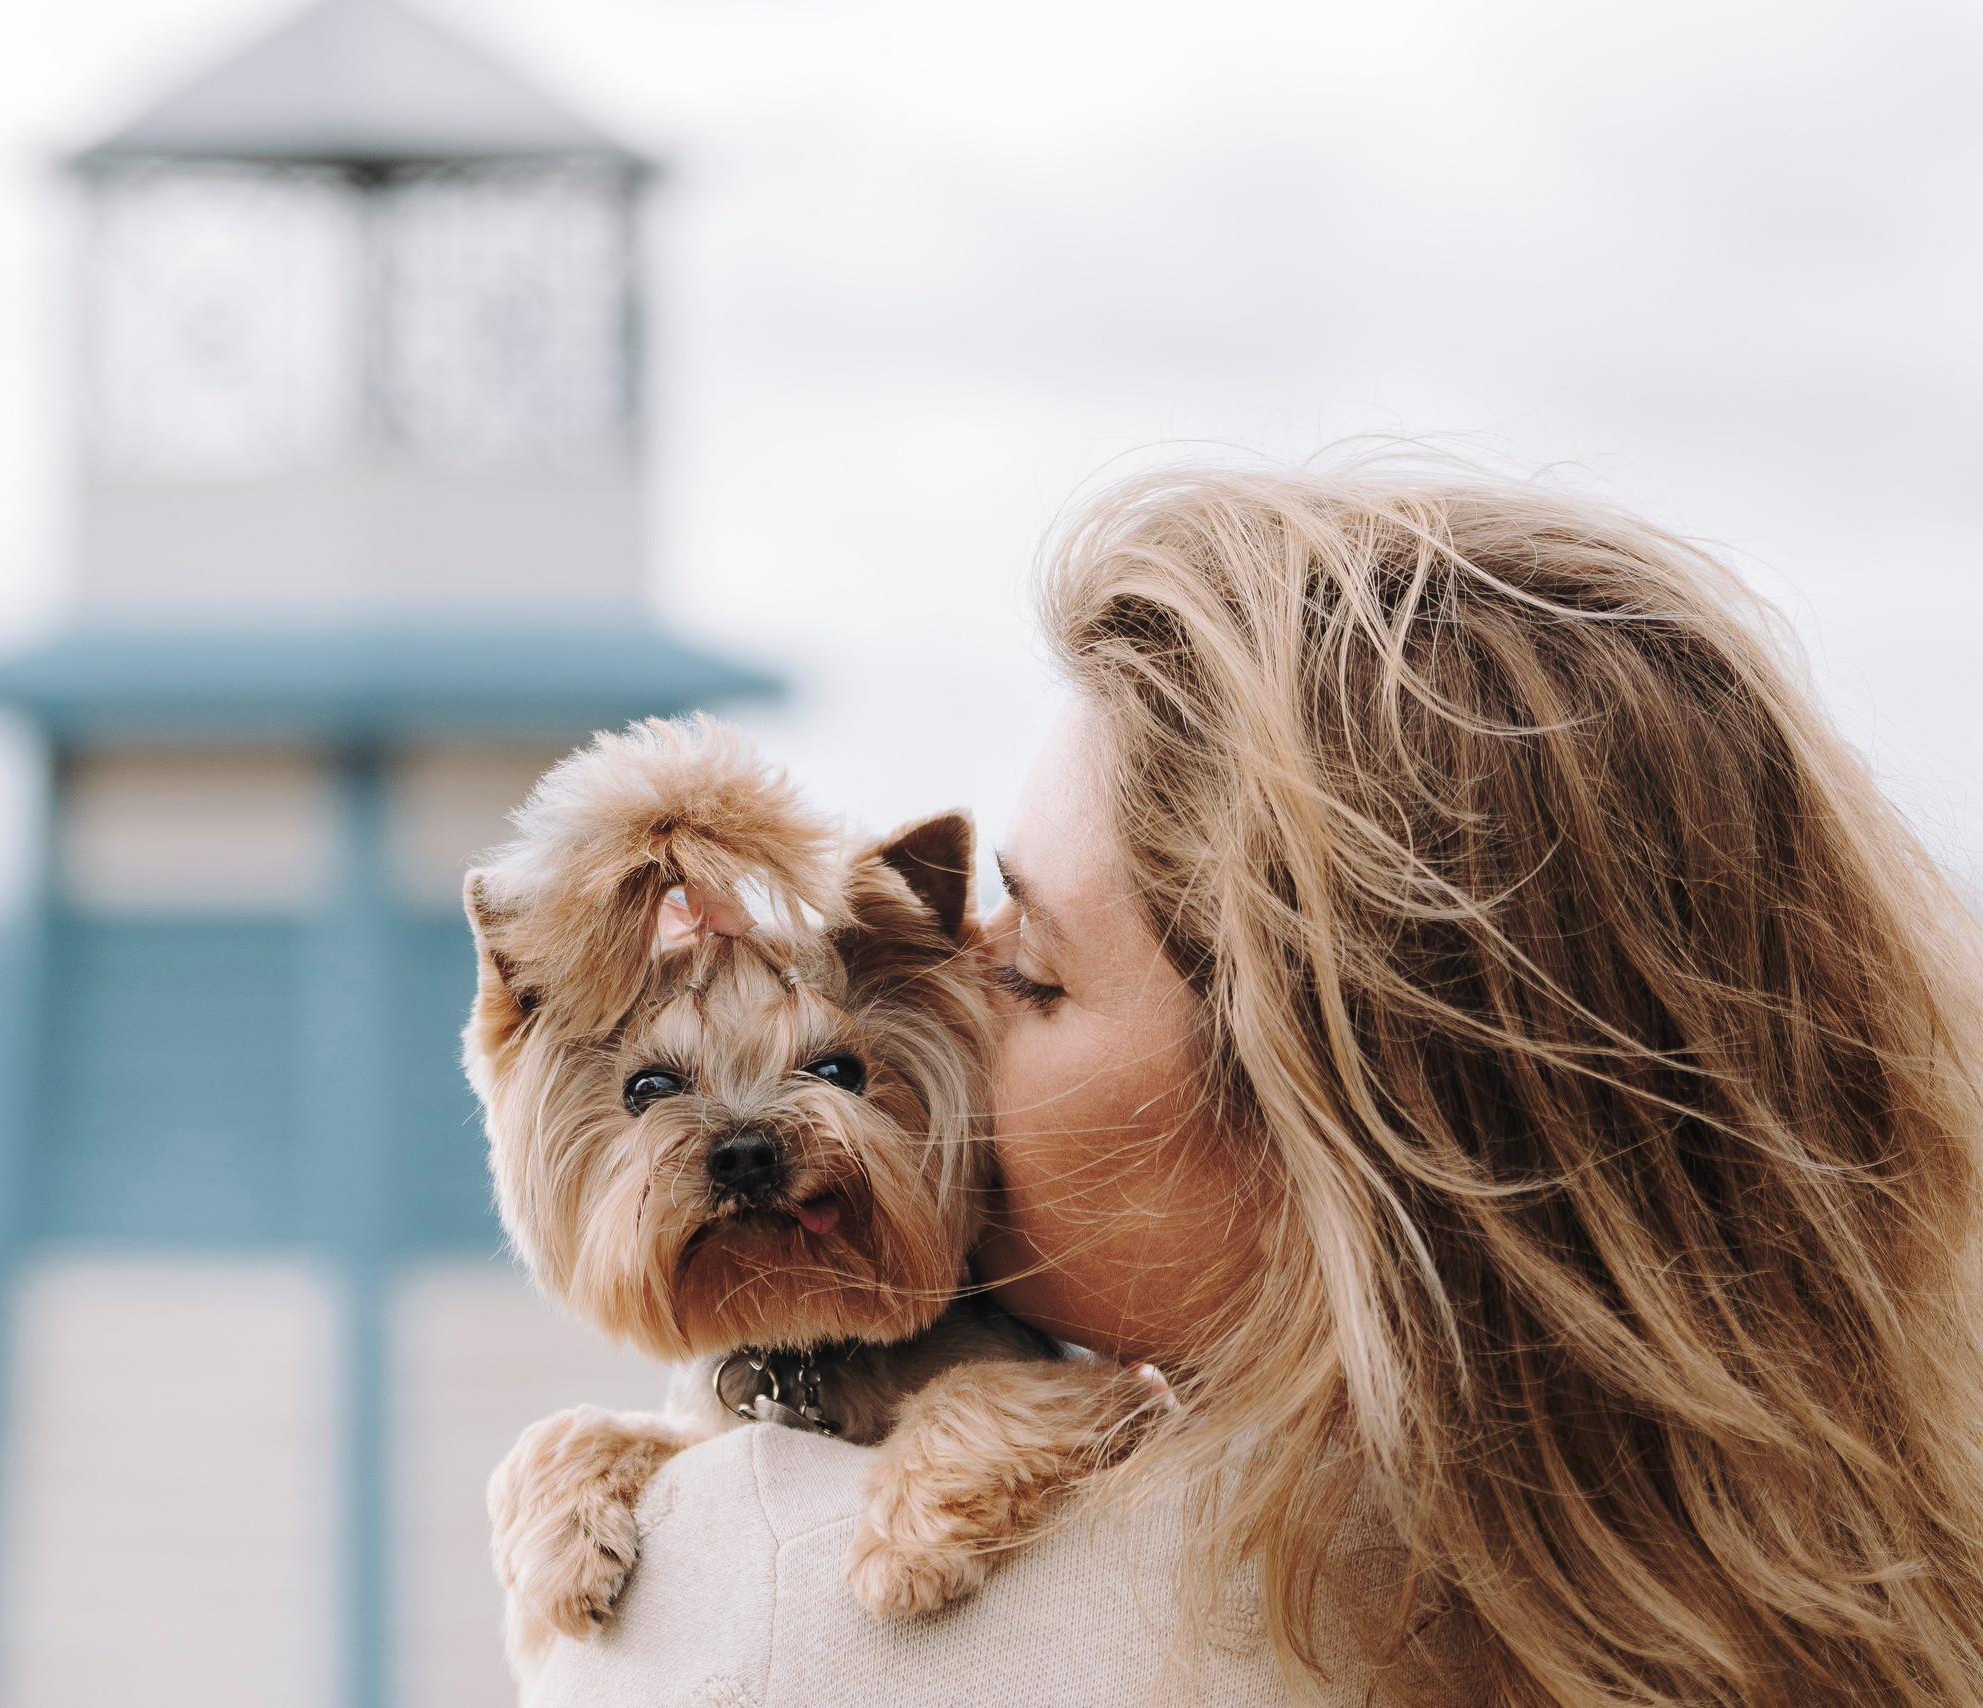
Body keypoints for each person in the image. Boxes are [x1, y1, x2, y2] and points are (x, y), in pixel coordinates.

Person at [519, 467, 1983, 1707]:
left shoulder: (771, 1599)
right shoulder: (1882, 1557)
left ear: (1325, 1137)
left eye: (1024, 971)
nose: (937, 999)